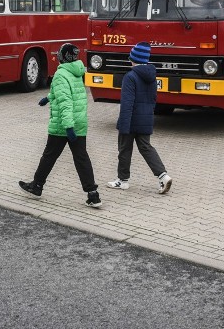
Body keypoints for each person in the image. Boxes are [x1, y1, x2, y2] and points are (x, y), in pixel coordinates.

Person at [19, 43, 101, 208]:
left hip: (64, 124)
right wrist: (49, 98)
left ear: (63, 57)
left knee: (49, 156)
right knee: (81, 158)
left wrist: (68, 126)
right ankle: (93, 194)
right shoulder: (76, 70)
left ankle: (37, 186)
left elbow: (65, 101)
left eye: (59, 54)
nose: (57, 57)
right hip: (79, 121)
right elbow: (67, 92)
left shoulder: (60, 74)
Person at [107, 41, 172, 194]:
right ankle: (163, 176)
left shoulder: (130, 76)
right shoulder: (152, 75)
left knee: (124, 149)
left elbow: (127, 103)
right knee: (146, 148)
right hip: (146, 118)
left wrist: (123, 125)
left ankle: (122, 181)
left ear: (133, 59)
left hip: (130, 120)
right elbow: (153, 99)